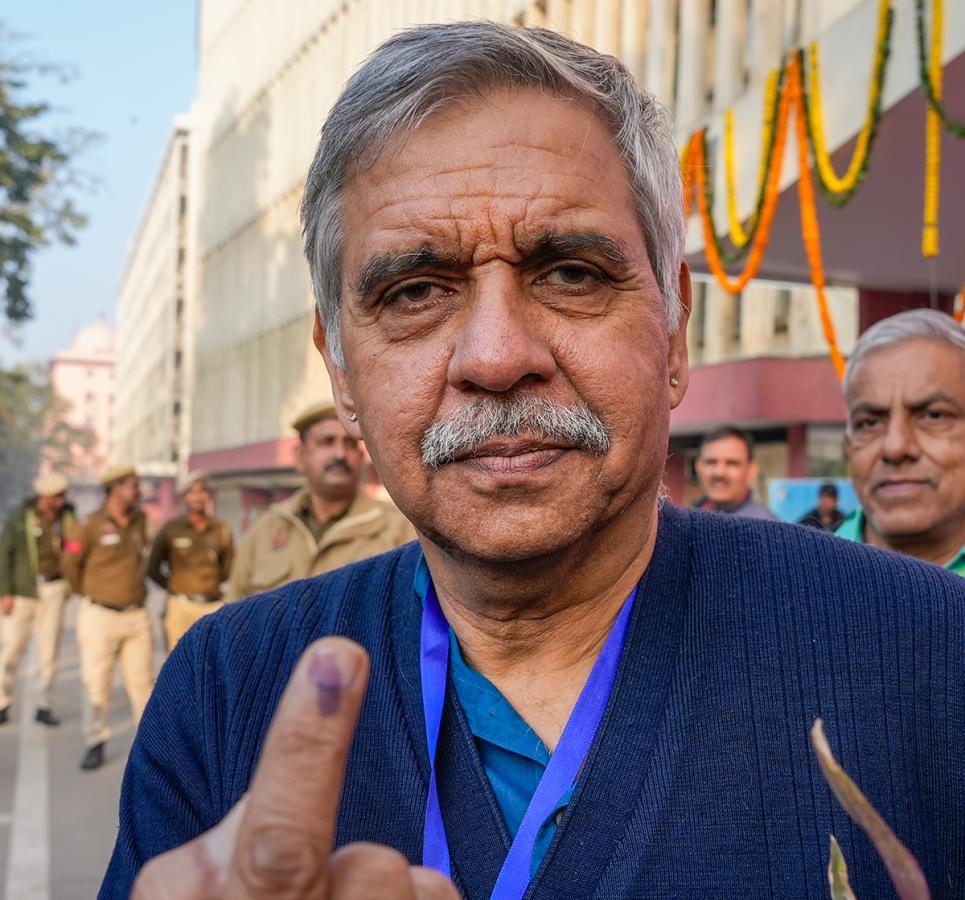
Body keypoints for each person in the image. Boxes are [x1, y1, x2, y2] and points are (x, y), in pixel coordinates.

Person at [104, 23, 963, 899]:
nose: (495, 354)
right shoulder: (227, 693)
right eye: (414, 292)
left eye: (570, 274)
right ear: (341, 370)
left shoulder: (930, 655)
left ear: (673, 333)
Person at [227, 400, 415, 600]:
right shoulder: (264, 530)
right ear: (300, 456)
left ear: (361, 457)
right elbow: (235, 615)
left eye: (350, 443)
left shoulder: (399, 529)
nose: (340, 454)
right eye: (327, 441)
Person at [837, 308, 965, 575]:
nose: (895, 448)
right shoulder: (790, 584)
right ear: (848, 446)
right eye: (869, 423)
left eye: (934, 415)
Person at [64, 465, 154, 771]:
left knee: (142, 682)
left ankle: (150, 746)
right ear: (115, 488)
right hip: (99, 614)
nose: (139, 489)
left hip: (135, 614)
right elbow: (71, 565)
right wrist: (91, 594)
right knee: (96, 682)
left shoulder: (141, 520)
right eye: (133, 484)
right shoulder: (89, 524)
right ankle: (95, 741)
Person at [0, 473, 75, 726]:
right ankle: (2, 700)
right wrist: (5, 593)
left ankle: (44, 704)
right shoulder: (20, 518)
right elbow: (4, 555)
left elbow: (73, 548)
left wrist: (69, 580)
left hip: (53, 589)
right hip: (22, 593)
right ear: (45, 497)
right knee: (10, 649)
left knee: (49, 651)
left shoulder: (67, 518)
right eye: (57, 497)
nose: (61, 500)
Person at [147, 472, 234, 650]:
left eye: (202, 491)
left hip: (212, 606)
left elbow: (228, 568)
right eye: (191, 492)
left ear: (209, 496)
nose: (197, 497)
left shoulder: (221, 529)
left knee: (213, 663)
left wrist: (209, 585)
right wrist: (174, 586)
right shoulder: (171, 529)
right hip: (180, 606)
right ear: (183, 497)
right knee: (177, 664)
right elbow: (152, 568)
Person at [692, 425, 776, 519]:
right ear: (698, 466)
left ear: (751, 470)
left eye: (732, 463)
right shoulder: (686, 520)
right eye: (711, 462)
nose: (719, 472)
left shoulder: (765, 527)